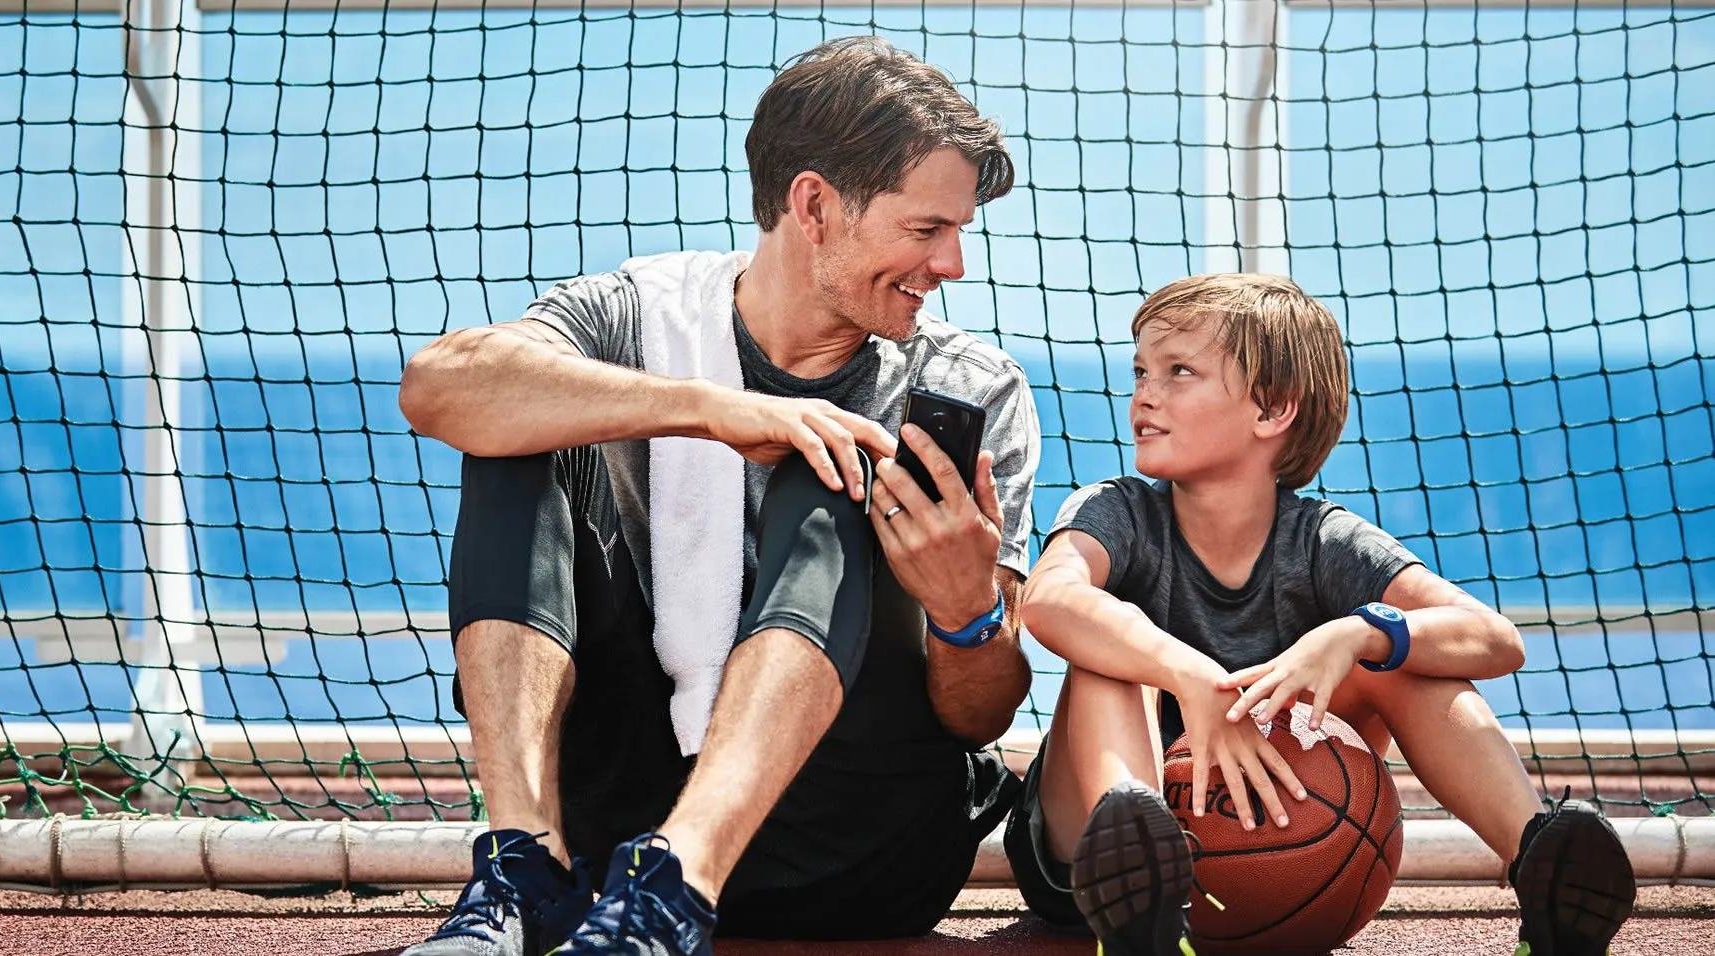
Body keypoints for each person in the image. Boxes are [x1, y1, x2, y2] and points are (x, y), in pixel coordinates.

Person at [396, 36, 1042, 956]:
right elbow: (438, 387)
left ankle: (679, 884)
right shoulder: (638, 313)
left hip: (856, 853)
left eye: (958, 233)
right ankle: (520, 873)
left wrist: (966, 611)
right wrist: (716, 412)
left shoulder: (970, 390)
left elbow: (984, 716)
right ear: (813, 204)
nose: (953, 266)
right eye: (925, 230)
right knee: (513, 432)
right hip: (612, 841)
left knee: (837, 468)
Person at [1004, 273, 1637, 956]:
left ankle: (1540, 863)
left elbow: (1495, 640)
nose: (1143, 397)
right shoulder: (1118, 510)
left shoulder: (1324, 543)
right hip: (1078, 855)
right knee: (1111, 658)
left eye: (1177, 371)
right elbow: (1050, 597)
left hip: (1271, 847)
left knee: (1399, 657)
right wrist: (1190, 675)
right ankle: (1140, 899)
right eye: (1140, 372)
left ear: (1272, 409)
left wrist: (1360, 632)